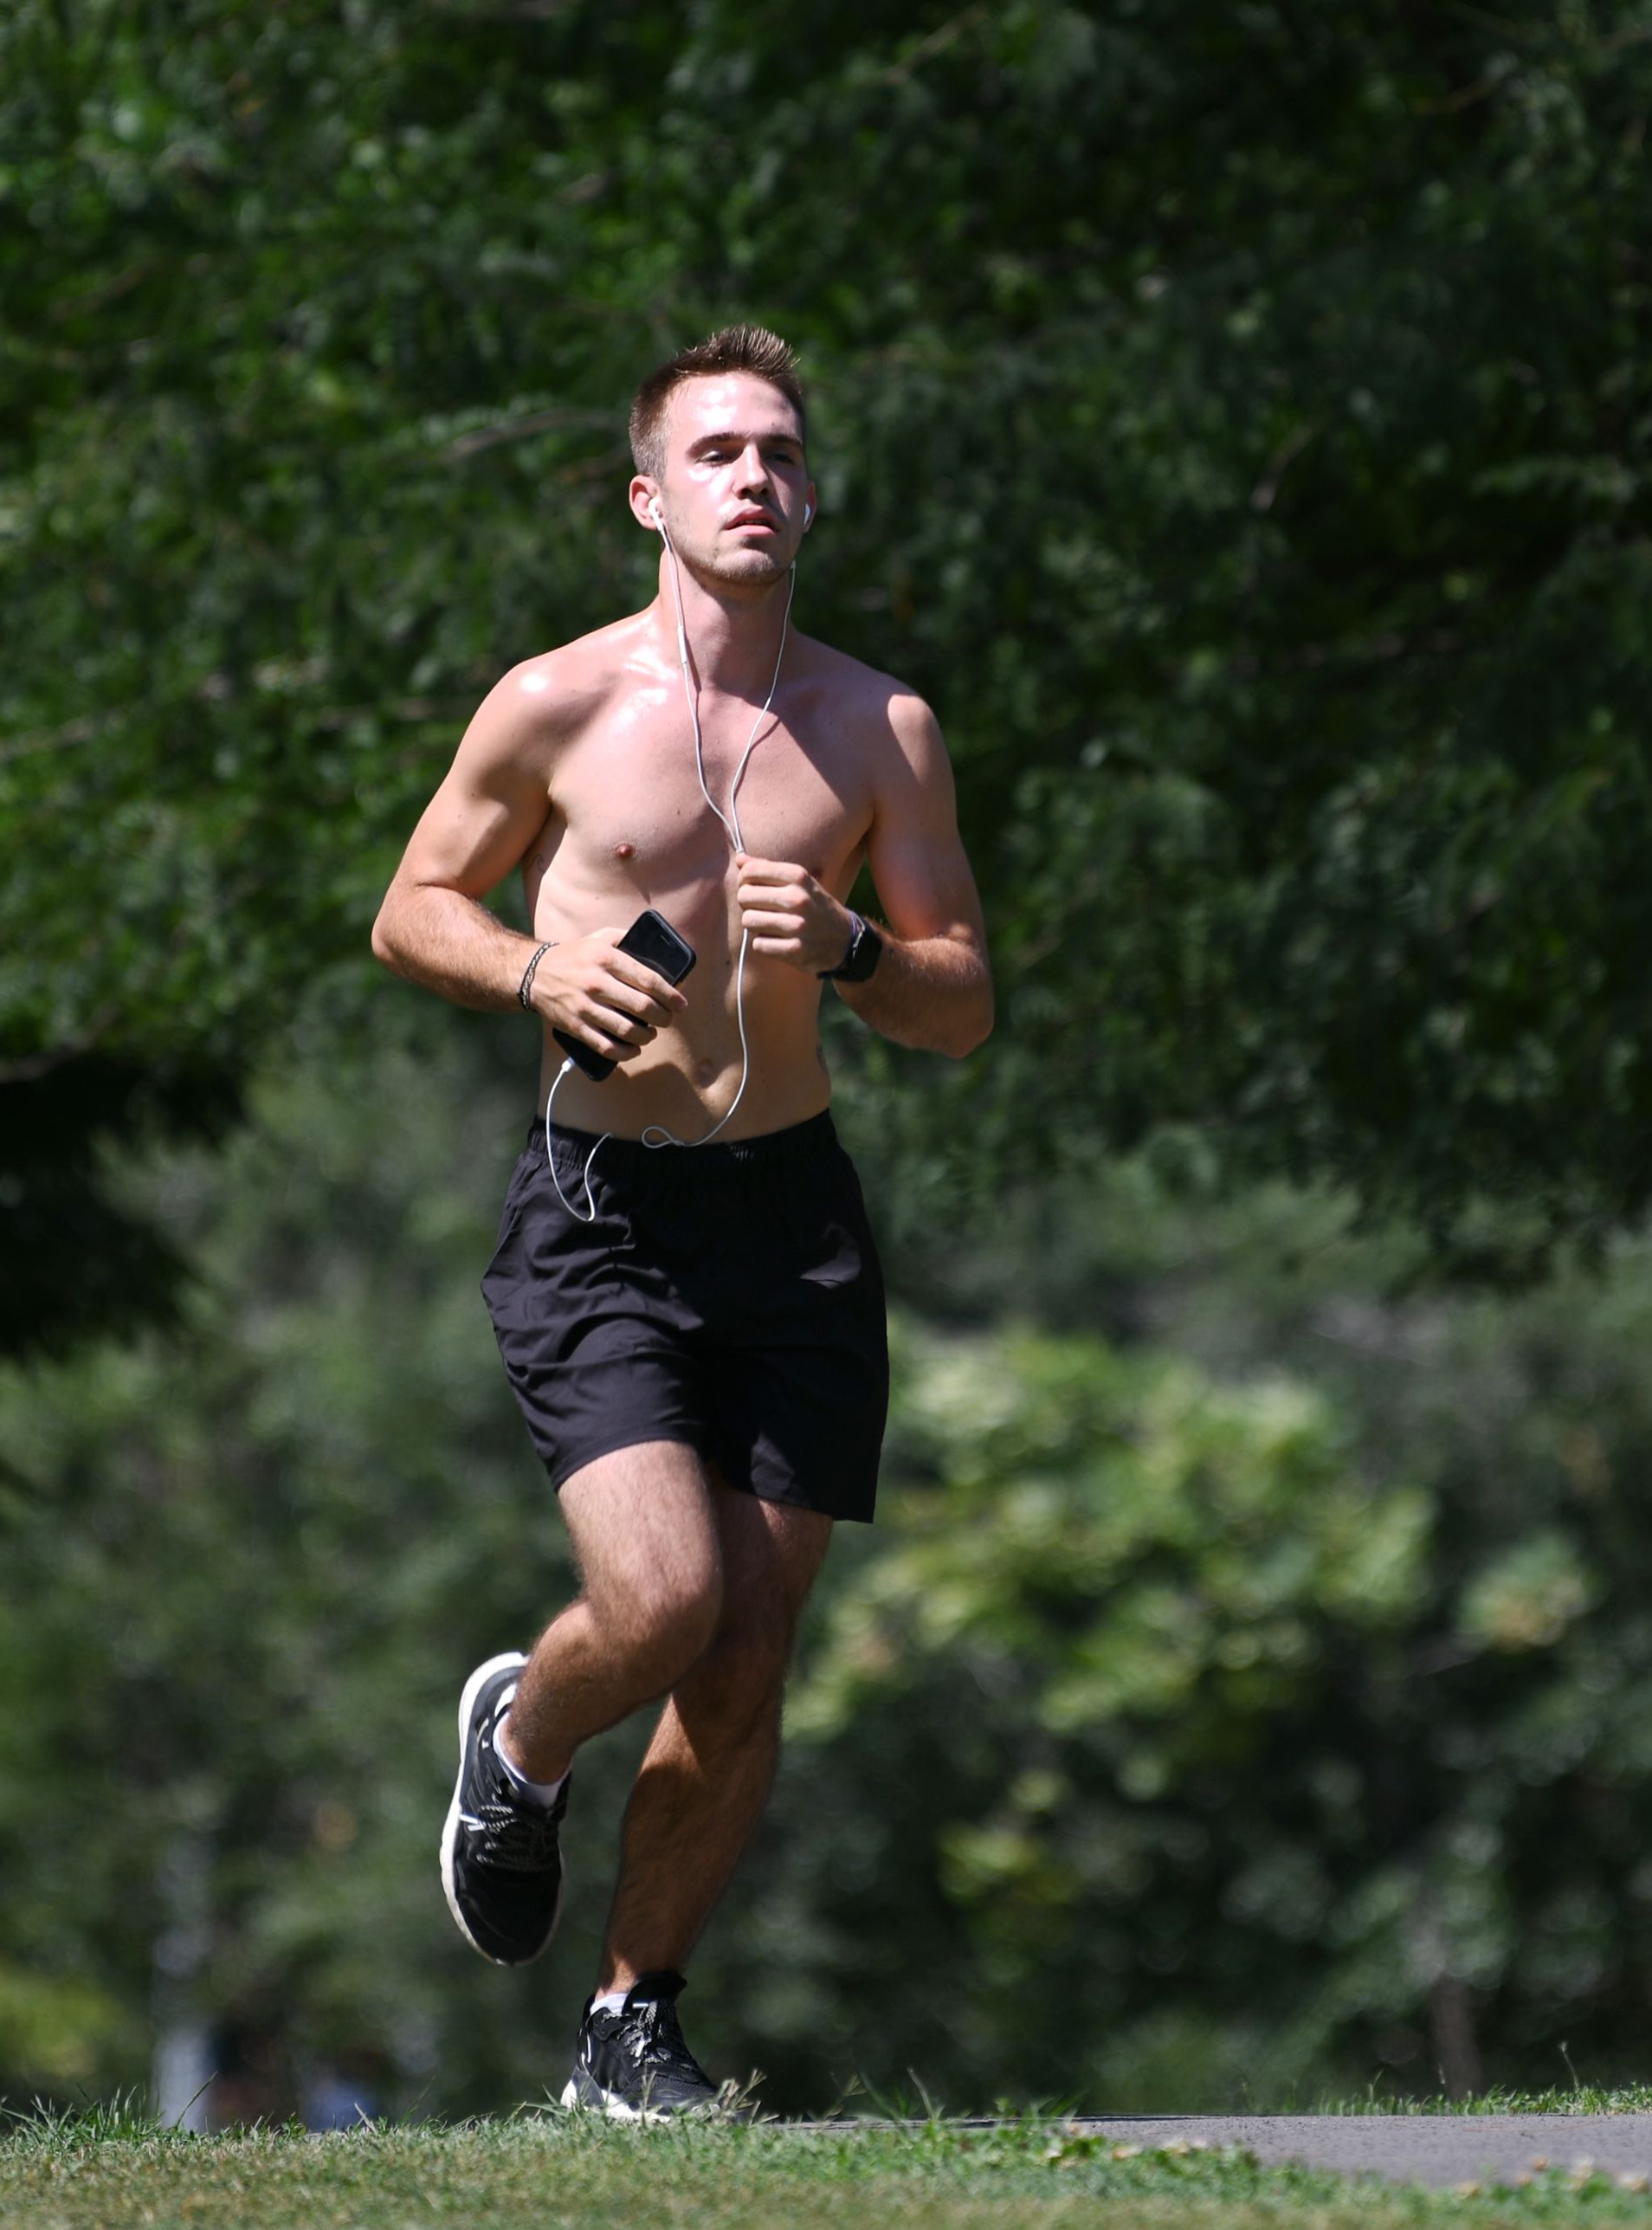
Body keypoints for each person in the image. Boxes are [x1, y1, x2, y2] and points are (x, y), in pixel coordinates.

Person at [370, 325, 993, 2117]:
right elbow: (412, 905)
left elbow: (963, 1003)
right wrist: (535, 967)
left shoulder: (880, 727)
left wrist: (865, 952)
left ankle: (629, 2030)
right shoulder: (557, 702)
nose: (755, 479)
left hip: (791, 1220)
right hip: (602, 1209)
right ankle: (523, 1732)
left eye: (782, 453)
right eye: (717, 452)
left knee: (748, 1642)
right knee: (657, 1600)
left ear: (810, 493)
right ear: (650, 494)